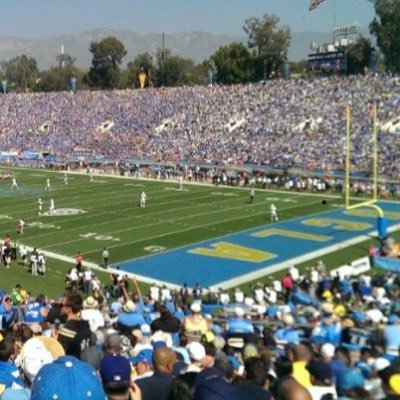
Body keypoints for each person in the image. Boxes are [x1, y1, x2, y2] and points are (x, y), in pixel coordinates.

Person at [54, 292, 93, 358]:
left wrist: (54, 341)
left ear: (69, 309)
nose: (60, 307)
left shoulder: (67, 331)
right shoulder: (86, 324)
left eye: (62, 305)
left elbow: (59, 356)